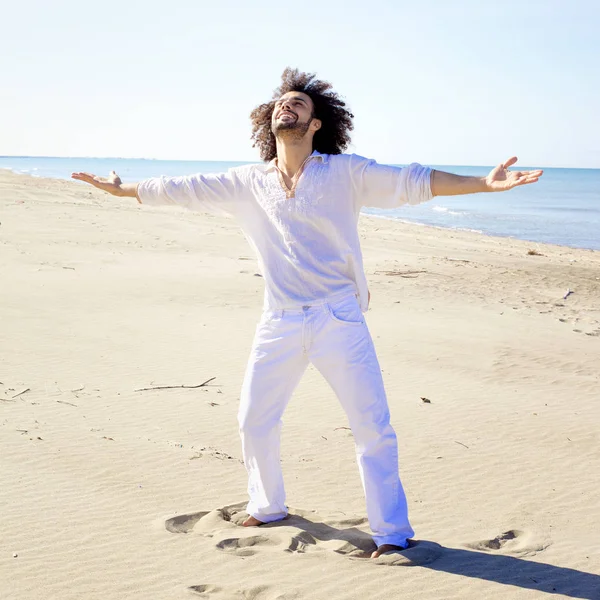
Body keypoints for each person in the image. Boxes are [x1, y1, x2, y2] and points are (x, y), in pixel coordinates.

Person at [72, 68, 543, 558]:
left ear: (316, 124)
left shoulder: (346, 173)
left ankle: (391, 532)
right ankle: (268, 505)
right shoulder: (247, 182)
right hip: (278, 319)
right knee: (254, 418)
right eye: (280, 104)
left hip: (337, 317)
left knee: (371, 427)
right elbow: (181, 188)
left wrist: (483, 185)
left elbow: (412, 181)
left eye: (298, 104)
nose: (286, 107)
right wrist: (124, 190)